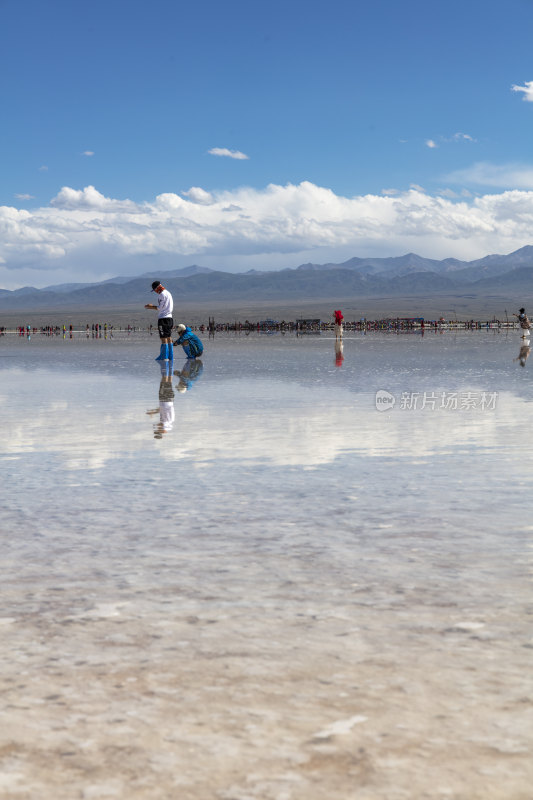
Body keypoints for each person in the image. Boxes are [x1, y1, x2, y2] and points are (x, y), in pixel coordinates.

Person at [144, 281, 174, 360]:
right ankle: (170, 356)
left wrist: (150, 306)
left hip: (163, 318)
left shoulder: (162, 294)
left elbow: (160, 308)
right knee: (168, 336)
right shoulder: (168, 293)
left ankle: (164, 356)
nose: (155, 292)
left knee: (163, 337)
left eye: (155, 290)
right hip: (170, 318)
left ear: (157, 288)